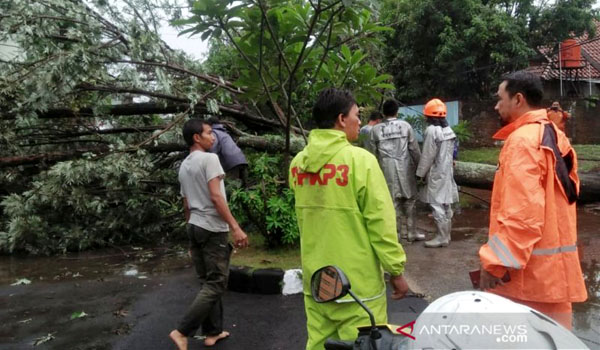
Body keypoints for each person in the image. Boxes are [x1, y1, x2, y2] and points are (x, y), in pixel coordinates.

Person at [289, 88, 409, 350]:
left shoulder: (298, 164)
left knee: (319, 344)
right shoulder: (360, 161)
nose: (359, 120)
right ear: (341, 119)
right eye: (357, 115)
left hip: (318, 282)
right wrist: (396, 270)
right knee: (364, 344)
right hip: (357, 287)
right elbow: (381, 224)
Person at [478, 71, 587, 329]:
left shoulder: (522, 142)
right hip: (554, 280)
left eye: (499, 98)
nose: (496, 106)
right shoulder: (557, 136)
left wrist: (495, 263)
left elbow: (523, 215)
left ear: (518, 99)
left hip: (523, 283)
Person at [169, 119, 249, 350]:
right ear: (197, 137)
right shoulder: (210, 159)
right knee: (216, 284)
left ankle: (213, 332)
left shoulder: (184, 165)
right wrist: (235, 227)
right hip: (212, 228)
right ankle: (182, 331)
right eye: (208, 133)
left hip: (194, 225)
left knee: (207, 281)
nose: (213, 137)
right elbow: (216, 197)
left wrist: (190, 234)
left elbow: (186, 203)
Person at [367, 99, 423, 242]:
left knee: (392, 202)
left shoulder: (376, 130)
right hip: (405, 167)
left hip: (386, 169)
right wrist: (421, 169)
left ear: (383, 113)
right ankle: (411, 233)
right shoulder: (405, 126)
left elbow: (372, 154)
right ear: (397, 111)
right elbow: (414, 150)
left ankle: (396, 235)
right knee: (410, 200)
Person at [416, 98, 459, 248]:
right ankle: (446, 236)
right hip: (447, 171)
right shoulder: (449, 130)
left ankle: (441, 237)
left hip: (436, 172)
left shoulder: (431, 131)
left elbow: (427, 155)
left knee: (436, 203)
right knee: (446, 203)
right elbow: (454, 150)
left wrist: (420, 174)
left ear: (427, 115)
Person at [207, 117, 249, 187]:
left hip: (230, 163)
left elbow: (213, 148)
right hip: (240, 159)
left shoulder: (214, 133)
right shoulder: (224, 132)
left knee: (232, 186)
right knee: (243, 188)